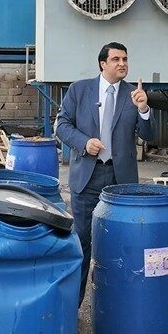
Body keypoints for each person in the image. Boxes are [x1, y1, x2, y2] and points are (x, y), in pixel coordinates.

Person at [56, 42, 154, 306]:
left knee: (121, 243)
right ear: (103, 63)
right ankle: (73, 306)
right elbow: (61, 125)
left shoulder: (134, 95)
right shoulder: (79, 90)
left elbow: (149, 135)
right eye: (116, 59)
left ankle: (118, 307)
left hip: (121, 181)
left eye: (125, 59)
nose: (122, 63)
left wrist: (144, 110)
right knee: (82, 242)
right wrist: (83, 142)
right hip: (87, 178)